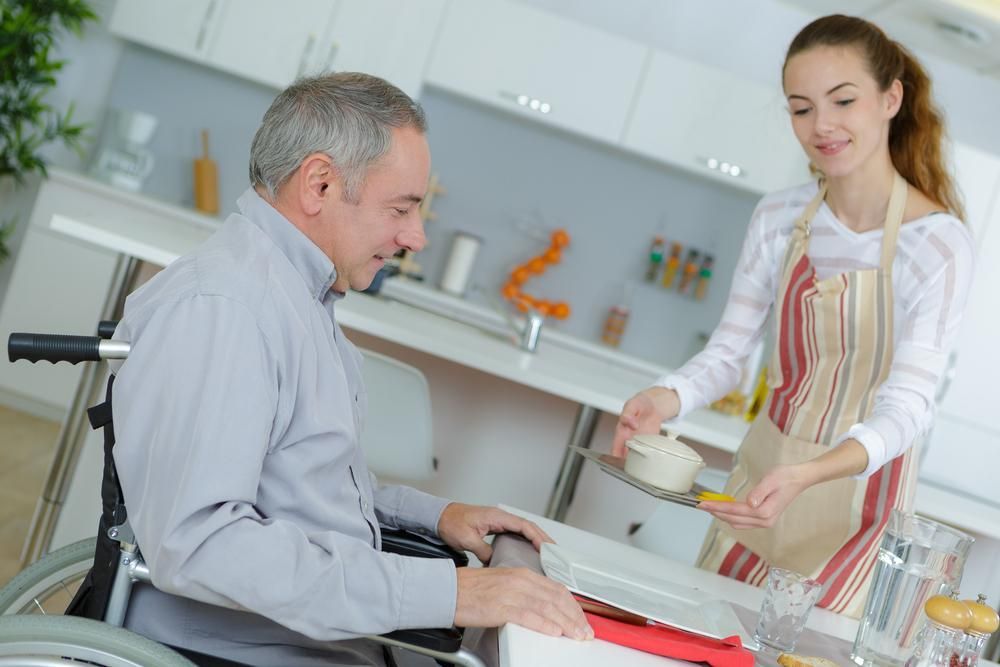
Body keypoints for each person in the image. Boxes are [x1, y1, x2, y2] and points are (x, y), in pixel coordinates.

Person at [108, 72, 592, 666]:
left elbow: (303, 485)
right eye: (402, 207)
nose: (414, 236)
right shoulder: (226, 309)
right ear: (320, 183)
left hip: (314, 638)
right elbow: (202, 544)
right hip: (235, 651)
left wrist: (435, 516)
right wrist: (450, 593)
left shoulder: (296, 296)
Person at [613, 14, 975, 618]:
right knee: (706, 637)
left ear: (891, 98)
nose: (821, 126)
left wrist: (810, 474)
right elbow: (730, 353)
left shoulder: (937, 244)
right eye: (801, 108)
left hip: (857, 504)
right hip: (760, 484)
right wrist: (665, 396)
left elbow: (910, 405)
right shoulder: (779, 218)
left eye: (842, 100)